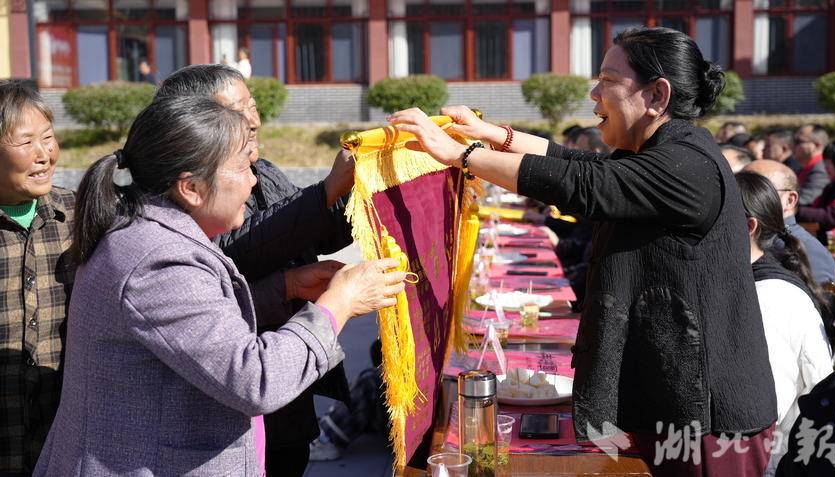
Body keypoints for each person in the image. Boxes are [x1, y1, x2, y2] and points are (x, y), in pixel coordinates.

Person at [391, 26, 776, 475]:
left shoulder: (688, 166)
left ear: (657, 94)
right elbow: (580, 163)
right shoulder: (662, 153)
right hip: (672, 395)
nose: (594, 93)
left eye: (608, 80)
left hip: (708, 414)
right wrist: (492, 135)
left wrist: (462, 154)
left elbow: (586, 185)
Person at [33, 96, 404, 476]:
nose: (254, 179)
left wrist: (286, 287)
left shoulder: (152, 233)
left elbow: (194, 337)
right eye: (244, 165)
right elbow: (255, 380)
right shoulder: (159, 259)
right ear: (191, 187)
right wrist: (337, 306)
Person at [155, 64, 356, 477]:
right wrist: (324, 193)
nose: (253, 120)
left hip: (286, 388)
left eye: (252, 106)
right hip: (230, 398)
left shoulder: (259, 171)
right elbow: (235, 250)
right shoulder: (178, 196)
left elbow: (313, 231)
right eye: (237, 111)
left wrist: (369, 186)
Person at [735, 171, 832, 477]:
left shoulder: (769, 298)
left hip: (768, 460)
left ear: (749, 227)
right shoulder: (750, 286)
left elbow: (765, 405)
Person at [0, 80, 75, 476]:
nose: (44, 155)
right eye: (26, 142)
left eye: (48, 138)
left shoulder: (78, 218)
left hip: (59, 443)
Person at [743, 159, 835, 285]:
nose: (743, 196)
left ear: (790, 200)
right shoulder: (743, 238)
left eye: (758, 191)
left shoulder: (809, 250)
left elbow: (819, 302)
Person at [797, 140, 835, 246]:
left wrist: (796, 211)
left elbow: (833, 216)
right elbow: (815, 207)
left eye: (828, 162)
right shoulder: (832, 187)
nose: (825, 167)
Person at [794, 124, 830, 206]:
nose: (793, 145)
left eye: (799, 142)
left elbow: (806, 200)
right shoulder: (806, 167)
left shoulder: (821, 169)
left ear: (817, 145)